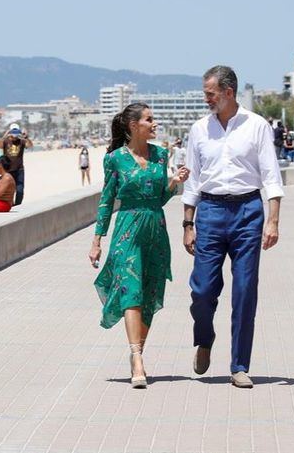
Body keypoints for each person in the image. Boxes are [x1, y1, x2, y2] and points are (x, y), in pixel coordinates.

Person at [182, 66, 284, 389]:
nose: (206, 98)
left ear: (228, 92)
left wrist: (273, 220)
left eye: (210, 93)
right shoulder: (199, 129)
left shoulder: (257, 126)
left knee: (244, 290)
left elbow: (271, 176)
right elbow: (193, 180)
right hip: (210, 211)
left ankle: (240, 365)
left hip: (248, 212)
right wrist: (188, 223)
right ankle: (205, 338)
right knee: (201, 290)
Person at [88, 102, 189, 389]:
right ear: (134, 125)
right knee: (130, 290)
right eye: (149, 119)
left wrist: (174, 184)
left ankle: (137, 352)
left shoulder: (160, 154)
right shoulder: (115, 159)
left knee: (148, 293)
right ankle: (137, 358)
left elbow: (158, 199)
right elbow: (107, 201)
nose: (154, 123)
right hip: (127, 231)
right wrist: (97, 239)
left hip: (155, 230)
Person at [0, 124, 33, 205]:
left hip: (19, 169)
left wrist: (26, 137)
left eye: (16, 132)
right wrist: (4, 136)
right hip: (8, 170)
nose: (15, 135)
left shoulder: (21, 141)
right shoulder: (6, 141)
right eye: (13, 132)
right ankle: (10, 205)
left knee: (20, 190)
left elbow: (30, 146)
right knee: (8, 189)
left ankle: (18, 205)